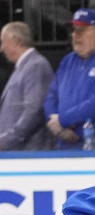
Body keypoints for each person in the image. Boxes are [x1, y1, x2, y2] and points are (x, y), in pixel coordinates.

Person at [43, 8, 95, 150]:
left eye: (82, 30)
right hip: (64, 143)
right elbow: (51, 96)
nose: (76, 35)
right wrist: (56, 125)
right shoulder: (67, 61)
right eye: (74, 30)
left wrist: (63, 120)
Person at [0, 22, 54, 151]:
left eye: (3, 42)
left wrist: (7, 141)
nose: (1, 49)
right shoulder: (23, 67)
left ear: (15, 41)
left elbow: (34, 111)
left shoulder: (36, 65)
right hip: (17, 150)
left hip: (29, 151)